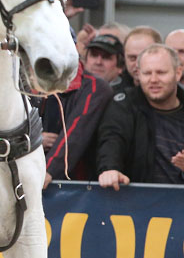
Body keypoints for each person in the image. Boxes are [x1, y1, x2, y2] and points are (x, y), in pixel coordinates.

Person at [98, 44, 184, 189]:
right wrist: (110, 168)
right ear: (138, 74)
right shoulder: (125, 104)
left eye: (161, 72)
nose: (153, 79)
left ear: (178, 73)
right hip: (137, 206)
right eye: (147, 73)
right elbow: (112, 137)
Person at [40, 61, 114, 188]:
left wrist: (48, 169)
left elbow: (76, 133)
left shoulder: (95, 86)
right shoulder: (31, 83)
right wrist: (35, 140)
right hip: (32, 173)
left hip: (80, 185)